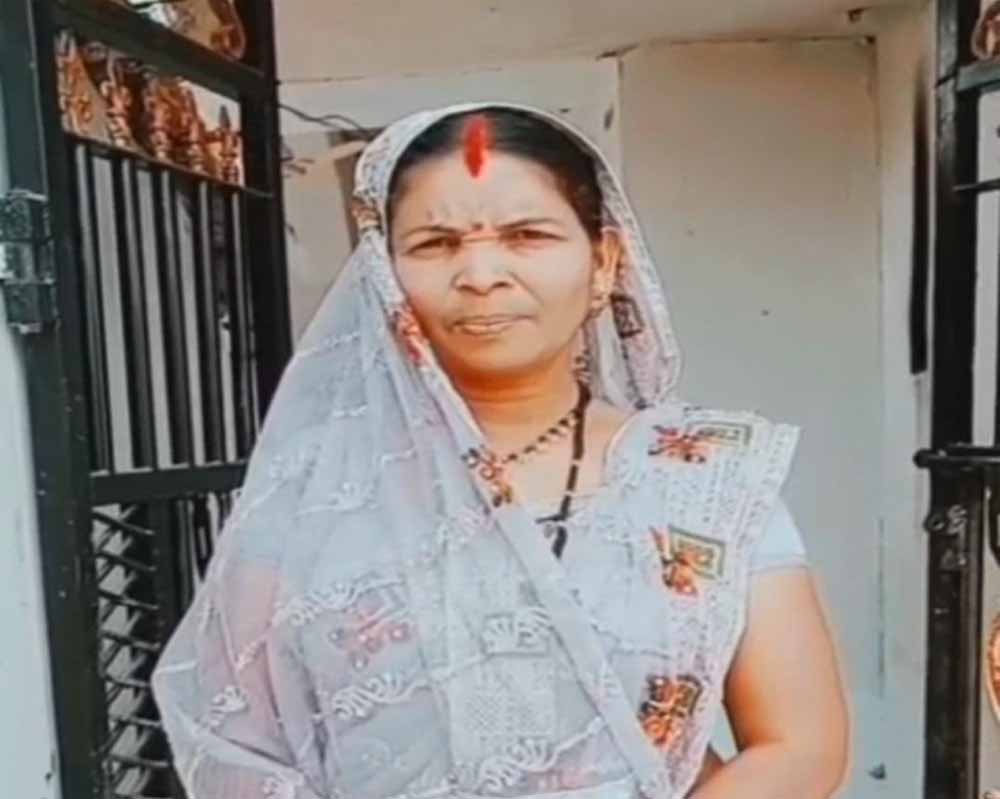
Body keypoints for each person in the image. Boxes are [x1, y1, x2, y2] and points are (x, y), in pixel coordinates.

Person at [151, 102, 849, 799]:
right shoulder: (312, 498)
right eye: (435, 243)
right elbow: (233, 741)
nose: (481, 274)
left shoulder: (702, 484)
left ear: (604, 262)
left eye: (527, 235)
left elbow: (799, 745)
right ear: (382, 275)